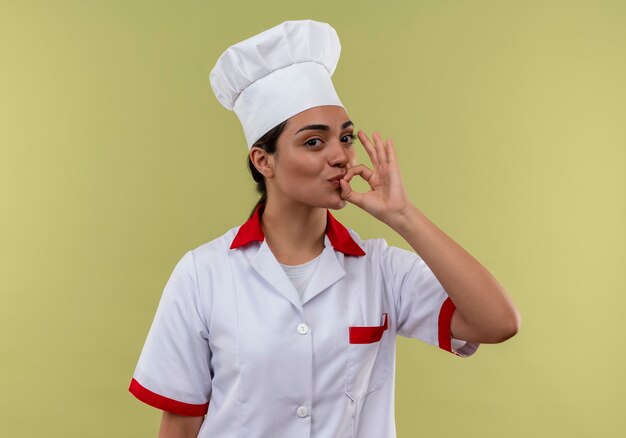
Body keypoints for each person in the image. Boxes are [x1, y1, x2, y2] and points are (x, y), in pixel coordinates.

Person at [128, 19, 520, 438]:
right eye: (314, 142)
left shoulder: (380, 269)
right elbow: (179, 424)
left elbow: (498, 322)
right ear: (264, 161)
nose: (340, 156)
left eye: (346, 138)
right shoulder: (202, 275)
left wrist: (402, 215)